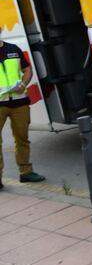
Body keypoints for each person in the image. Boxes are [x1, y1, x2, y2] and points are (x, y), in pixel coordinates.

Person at [0, 37, 45, 189]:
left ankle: (26, 172)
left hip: (19, 102)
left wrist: (24, 83)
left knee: (22, 138)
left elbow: (27, 70)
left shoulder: (13, 49)